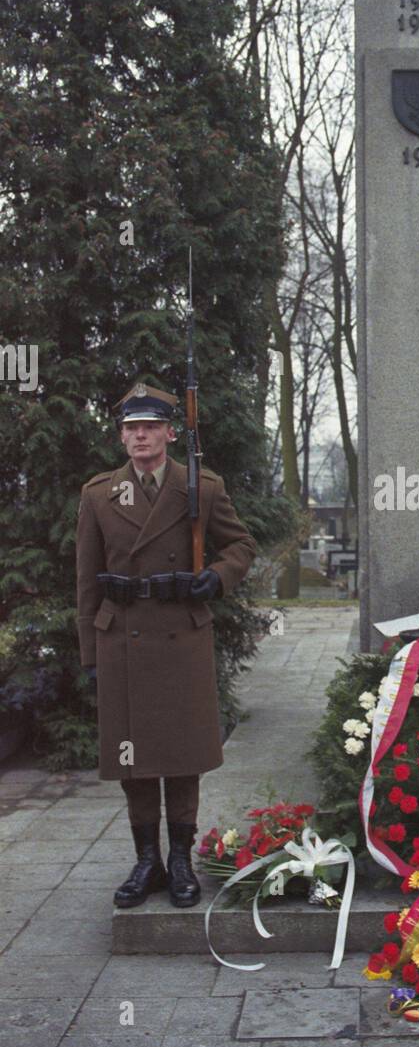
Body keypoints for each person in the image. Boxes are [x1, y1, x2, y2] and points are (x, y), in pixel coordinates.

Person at [76, 383, 257, 909]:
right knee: (132, 757)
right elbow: (86, 580)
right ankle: (146, 860)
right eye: (131, 428)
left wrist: (217, 577)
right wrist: (90, 653)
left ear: (170, 433)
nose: (139, 436)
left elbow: (241, 543)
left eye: (149, 427)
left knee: (182, 753)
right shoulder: (98, 494)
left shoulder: (201, 486)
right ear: (121, 437)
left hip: (181, 629)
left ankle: (180, 860)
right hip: (123, 637)